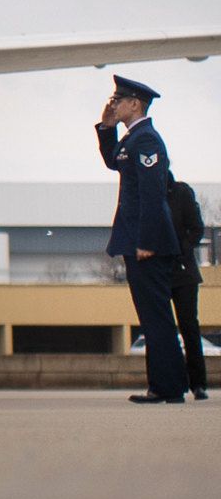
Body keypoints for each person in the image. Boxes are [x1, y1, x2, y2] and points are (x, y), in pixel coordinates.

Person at [97, 76, 187, 403]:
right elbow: (113, 161)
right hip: (136, 237)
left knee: (156, 317)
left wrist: (147, 240)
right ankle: (165, 386)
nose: (114, 104)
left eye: (118, 100)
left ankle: (168, 387)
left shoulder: (147, 140)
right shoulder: (133, 139)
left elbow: (151, 194)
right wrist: (107, 127)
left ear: (135, 103)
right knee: (152, 317)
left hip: (147, 242)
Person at [165, 178, 207, 401]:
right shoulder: (144, 192)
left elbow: (197, 228)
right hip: (158, 271)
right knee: (164, 329)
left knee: (189, 326)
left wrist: (183, 249)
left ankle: (198, 383)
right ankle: (172, 382)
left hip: (183, 271)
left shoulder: (181, 193)